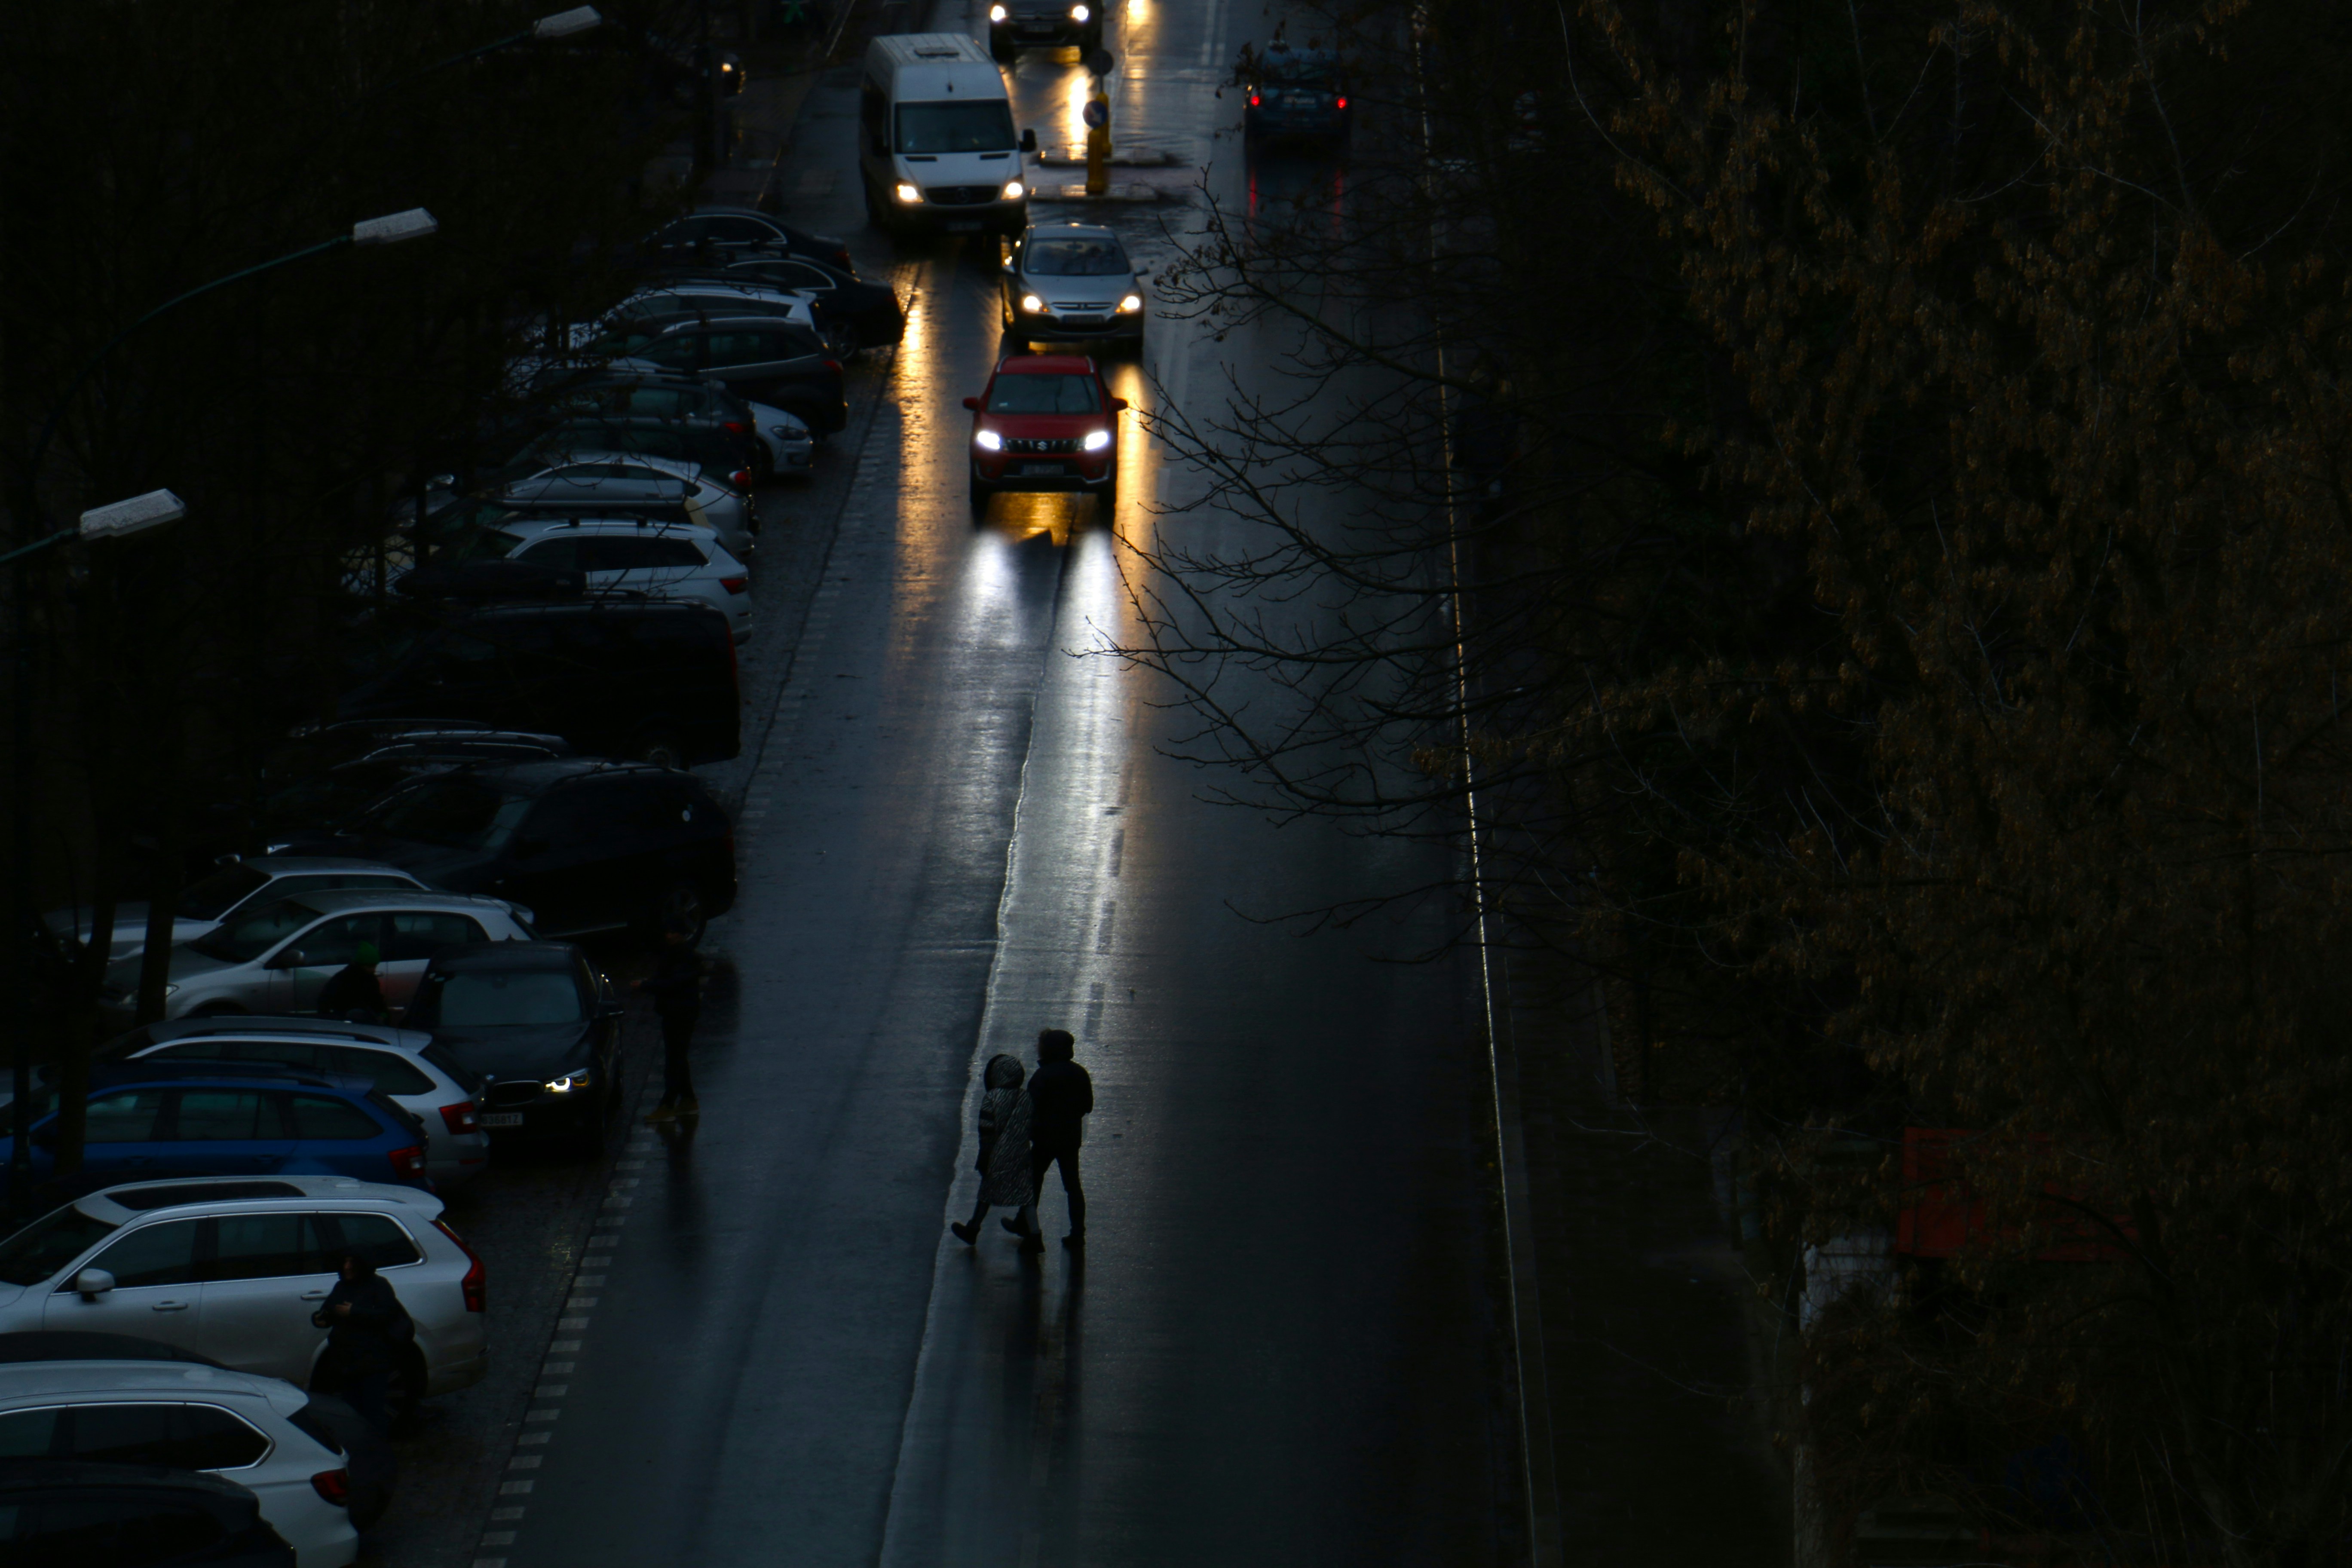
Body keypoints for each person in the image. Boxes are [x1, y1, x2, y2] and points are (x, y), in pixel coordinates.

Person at [311, 1251, 407, 1433]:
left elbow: (389, 1315)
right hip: (346, 1360)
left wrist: (355, 1312)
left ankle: (377, 1451)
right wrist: (321, 1318)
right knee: (350, 1410)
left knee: (373, 1410)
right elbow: (330, 1310)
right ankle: (357, 1449)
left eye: (352, 1263)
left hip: (373, 1360)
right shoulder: (342, 1286)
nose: (347, 1267)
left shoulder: (379, 1286)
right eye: (345, 1262)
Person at [950, 1055, 1038, 1245]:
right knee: (1026, 1194)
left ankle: (973, 1229)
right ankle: (1035, 1235)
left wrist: (984, 1157)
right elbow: (1031, 1124)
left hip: (999, 1153)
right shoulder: (1025, 1096)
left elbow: (986, 1133)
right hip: (1021, 1152)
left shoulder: (992, 1098)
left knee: (987, 1193)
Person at [1025, 1027, 1094, 1250]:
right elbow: (1087, 1106)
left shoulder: (1043, 1076)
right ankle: (1078, 1233)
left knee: (1032, 1183)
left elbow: (1029, 1108)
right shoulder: (1080, 1073)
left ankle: (1029, 1229)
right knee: (1073, 1186)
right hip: (1070, 1138)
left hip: (1044, 1138)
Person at [638, 919, 702, 1121]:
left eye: (673, 932)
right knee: (677, 1058)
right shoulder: (680, 955)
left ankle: (668, 1104)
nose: (669, 936)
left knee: (674, 1060)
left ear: (681, 934)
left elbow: (673, 983)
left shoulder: (684, 957)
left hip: (679, 1013)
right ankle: (687, 1100)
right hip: (677, 1012)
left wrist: (646, 985)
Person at [315, 941, 386, 1021]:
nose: (374, 970)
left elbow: (379, 1003)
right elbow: (325, 1002)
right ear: (359, 965)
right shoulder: (342, 980)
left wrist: (383, 1016)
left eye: (375, 966)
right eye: (370, 966)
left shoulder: (371, 980)